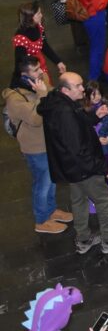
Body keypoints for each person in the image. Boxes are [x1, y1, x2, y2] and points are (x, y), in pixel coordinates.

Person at [40, 72, 108, 255]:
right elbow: (78, 149)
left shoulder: (60, 102)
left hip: (71, 167)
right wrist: (104, 168)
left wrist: (95, 116)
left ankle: (83, 239)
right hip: (84, 168)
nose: (83, 89)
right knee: (104, 200)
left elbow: (78, 122)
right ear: (65, 90)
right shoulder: (65, 113)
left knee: (78, 201)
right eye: (78, 86)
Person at [5, 56, 72, 234]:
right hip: (34, 147)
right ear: (24, 75)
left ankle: (51, 210)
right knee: (42, 182)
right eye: (36, 70)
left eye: (39, 67)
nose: (41, 72)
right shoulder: (15, 99)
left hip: (49, 140)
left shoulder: (41, 81)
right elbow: (36, 119)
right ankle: (41, 220)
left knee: (52, 179)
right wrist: (42, 94)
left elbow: (53, 99)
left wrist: (47, 90)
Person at [12, 1, 65, 86]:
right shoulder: (21, 38)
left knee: (48, 86)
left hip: (40, 65)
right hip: (32, 72)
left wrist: (58, 62)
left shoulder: (39, 27)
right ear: (30, 18)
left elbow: (44, 45)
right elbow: (20, 63)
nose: (41, 15)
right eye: (38, 13)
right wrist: (16, 83)